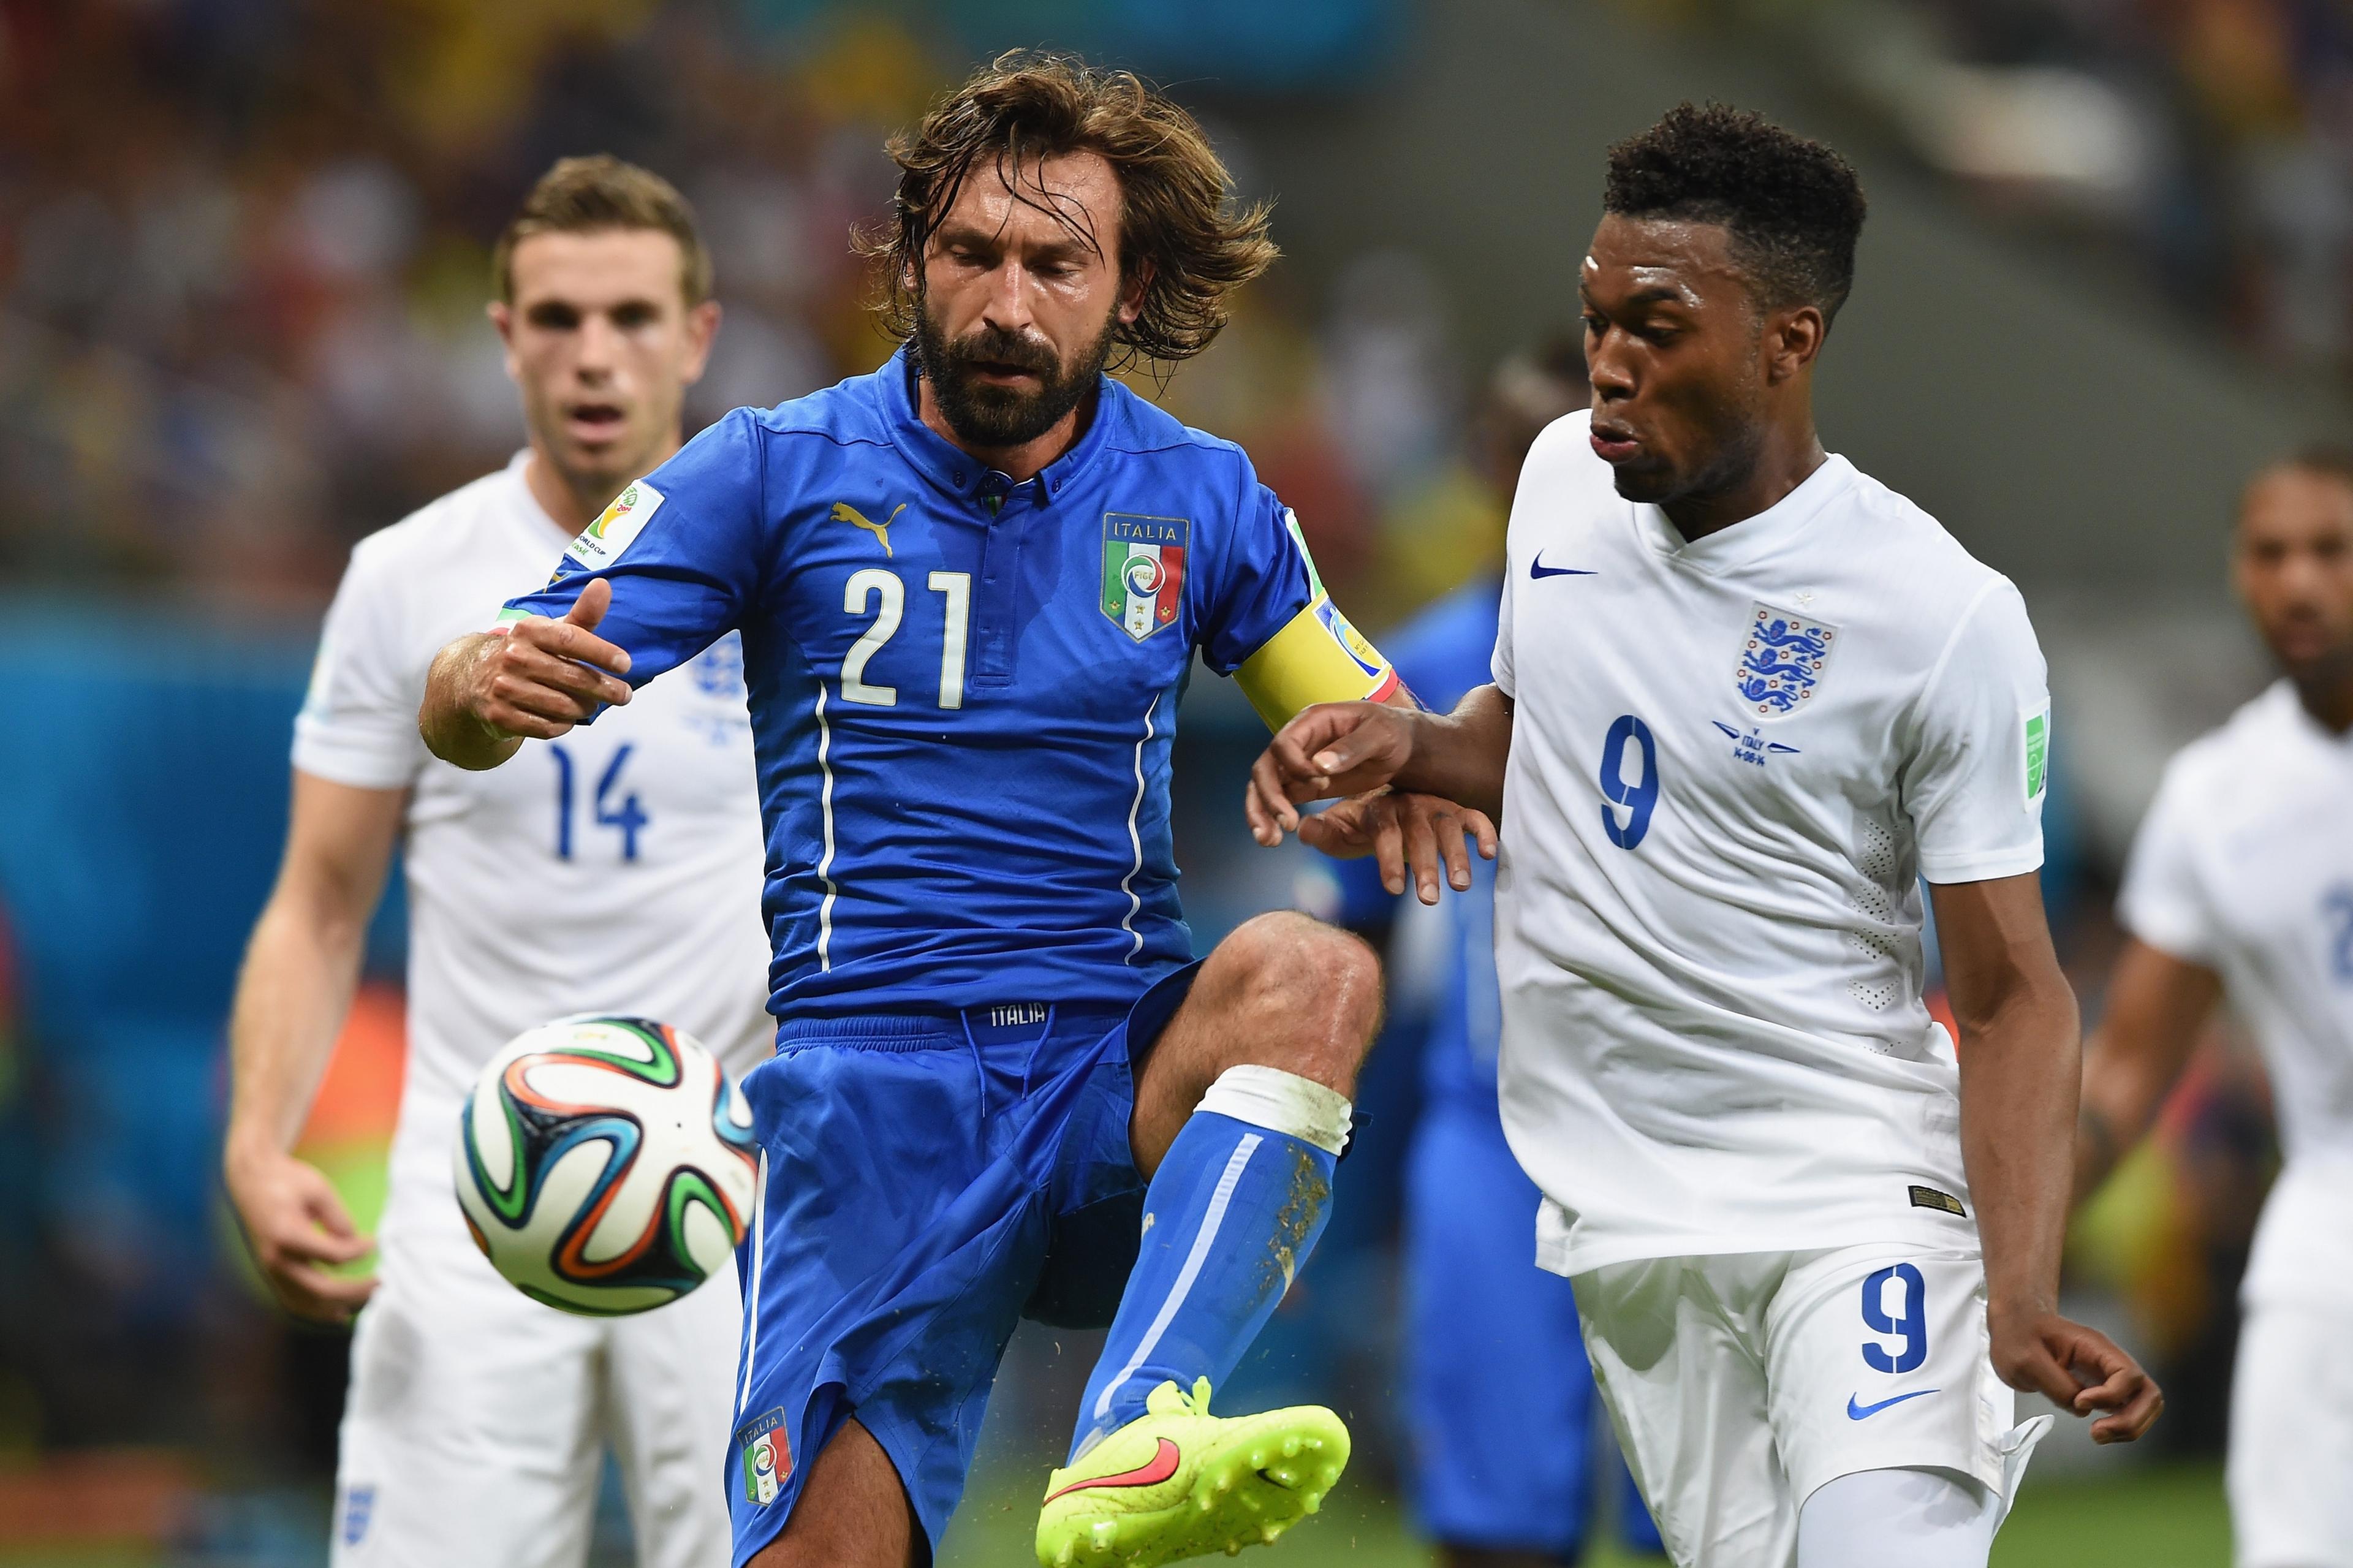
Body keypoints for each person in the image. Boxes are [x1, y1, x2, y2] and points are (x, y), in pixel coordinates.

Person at [414, 53, 1488, 1568]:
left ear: (1128, 286)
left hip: (1109, 1071)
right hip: (876, 1102)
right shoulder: (773, 469)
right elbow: (476, 687)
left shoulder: (1202, 493)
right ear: (914, 257)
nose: (1008, 300)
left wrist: (1366, 763)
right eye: (974, 253)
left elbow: (1375, 721)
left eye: (1057, 262)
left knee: (1315, 974)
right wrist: (475, 678)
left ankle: (1136, 1429)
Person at [1245, 104, 2163, 1568]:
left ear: (1788, 340)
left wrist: (2022, 1281)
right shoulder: (1557, 486)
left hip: (1855, 1203)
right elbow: (1561, 745)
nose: (1608, 363)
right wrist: (1417, 747)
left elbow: (2009, 992)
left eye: (1656, 327)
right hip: (1630, 1225)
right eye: (1598, 318)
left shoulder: (1937, 615)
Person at [222, 156, 770, 1568]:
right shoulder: (410, 575)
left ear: (699, 334)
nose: (597, 353)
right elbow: (320, 897)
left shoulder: (792, 579)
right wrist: (255, 1136)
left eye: (636, 316)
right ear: (504, 334)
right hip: (475, 1183)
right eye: (560, 316)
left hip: (743, 1182)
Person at [1335, 343, 1664, 1566]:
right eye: (1523, 447)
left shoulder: (1695, 644)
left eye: (1577, 443)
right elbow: (1355, 927)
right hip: (1490, 1131)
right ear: (1484, 461)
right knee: (1492, 1528)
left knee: (1705, 1520)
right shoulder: (1417, 665)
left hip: (1674, 1136)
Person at [2075, 450, 2353, 1568]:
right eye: (2268, 553)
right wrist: (2004, 1251)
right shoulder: (2215, 797)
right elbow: (2130, 1070)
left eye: (2331, 550)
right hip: (2328, 1227)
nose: (2297, 584)